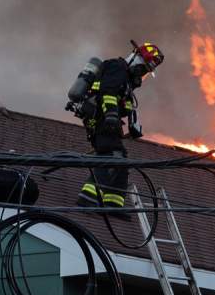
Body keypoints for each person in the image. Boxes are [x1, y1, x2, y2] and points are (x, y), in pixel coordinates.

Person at [67, 42, 164, 212]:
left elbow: (122, 104)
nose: (143, 73)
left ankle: (113, 205)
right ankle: (88, 198)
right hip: (101, 118)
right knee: (112, 155)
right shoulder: (117, 67)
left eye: (147, 71)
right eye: (143, 68)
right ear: (135, 58)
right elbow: (107, 92)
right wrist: (112, 114)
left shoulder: (126, 79)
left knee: (122, 161)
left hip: (106, 119)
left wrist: (130, 120)